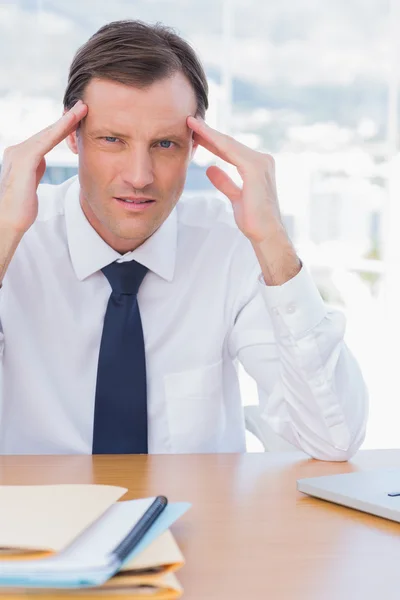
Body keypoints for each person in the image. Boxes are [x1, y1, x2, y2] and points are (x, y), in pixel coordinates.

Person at [0, 20, 367, 459]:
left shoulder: (232, 242)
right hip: (39, 521)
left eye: (165, 145)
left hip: (199, 520)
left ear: (196, 146)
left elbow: (334, 439)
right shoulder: (17, 238)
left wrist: (273, 243)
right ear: (71, 138)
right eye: (112, 139)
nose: (139, 176)